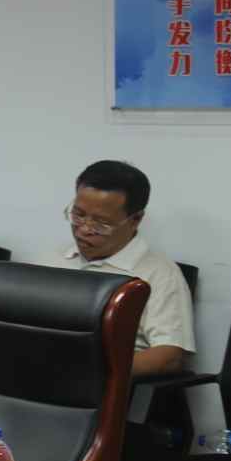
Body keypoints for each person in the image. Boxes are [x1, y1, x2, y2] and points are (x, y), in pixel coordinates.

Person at [44, 160, 193, 378]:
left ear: (135, 220)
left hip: (97, 385)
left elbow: (170, 356)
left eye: (101, 223)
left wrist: (88, 373)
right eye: (78, 215)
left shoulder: (160, 274)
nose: (84, 229)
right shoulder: (52, 259)